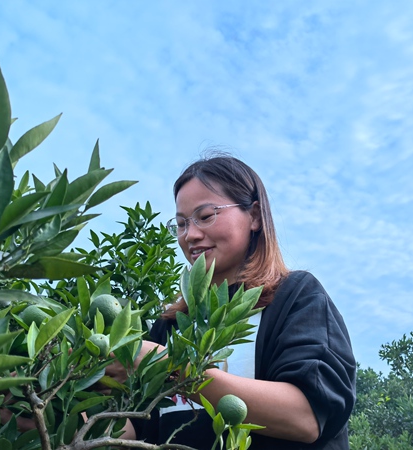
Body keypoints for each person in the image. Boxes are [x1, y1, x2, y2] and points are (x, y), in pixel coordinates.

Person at [119, 153, 356, 449]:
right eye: (180, 224)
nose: (190, 235)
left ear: (254, 216)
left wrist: (171, 367)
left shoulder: (296, 297)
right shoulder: (171, 325)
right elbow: (135, 431)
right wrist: (80, 389)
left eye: (206, 216)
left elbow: (305, 416)